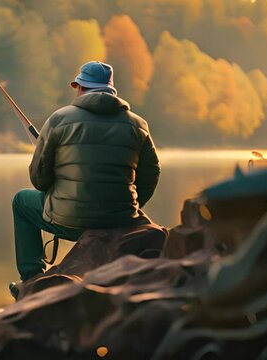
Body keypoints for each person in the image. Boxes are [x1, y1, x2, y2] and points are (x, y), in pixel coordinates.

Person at [12, 61, 161, 284]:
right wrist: (129, 206)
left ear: (81, 87)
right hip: (121, 220)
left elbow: (39, 180)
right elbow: (151, 174)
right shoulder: (138, 125)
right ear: (112, 90)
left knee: (21, 202)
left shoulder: (58, 120)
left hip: (69, 222)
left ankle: (32, 280)